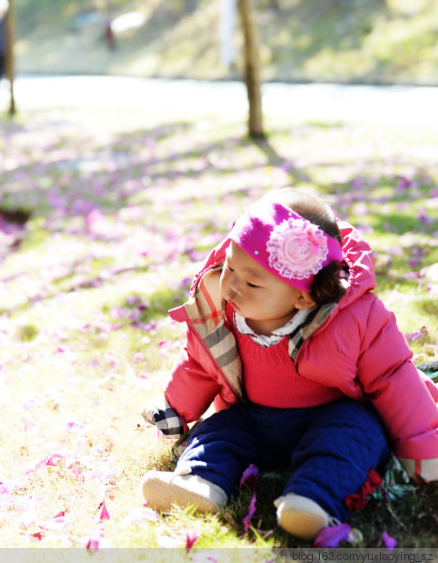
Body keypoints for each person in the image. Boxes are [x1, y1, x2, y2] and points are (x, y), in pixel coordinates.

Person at [140, 188, 438, 541]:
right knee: (219, 433)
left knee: (353, 436)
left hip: (330, 414)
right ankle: (201, 482)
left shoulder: (357, 319)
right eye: (230, 267)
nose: (232, 284)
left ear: (303, 294)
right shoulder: (225, 311)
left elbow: (394, 378)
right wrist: (176, 406)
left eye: (251, 281)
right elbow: (202, 361)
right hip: (254, 417)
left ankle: (313, 500)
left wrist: (423, 450)